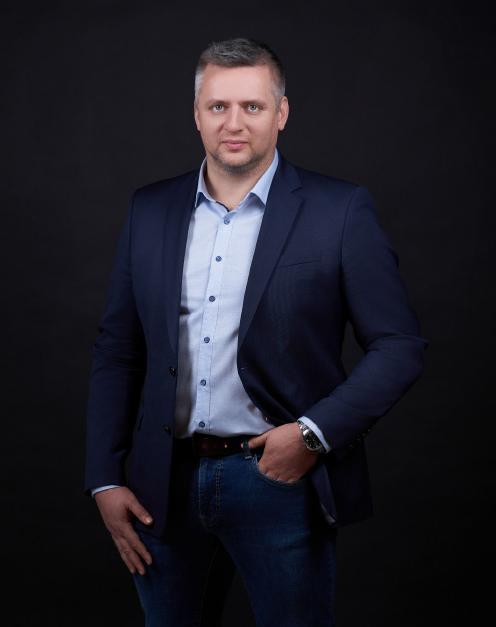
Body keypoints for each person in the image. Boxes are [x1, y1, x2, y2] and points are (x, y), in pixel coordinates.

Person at [85, 38, 427, 626]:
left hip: (279, 481)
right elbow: (119, 349)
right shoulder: (150, 209)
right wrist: (103, 479)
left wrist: (313, 436)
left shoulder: (339, 210)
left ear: (281, 113)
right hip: (161, 486)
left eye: (253, 106)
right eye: (218, 106)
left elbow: (399, 346)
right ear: (197, 115)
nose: (234, 123)